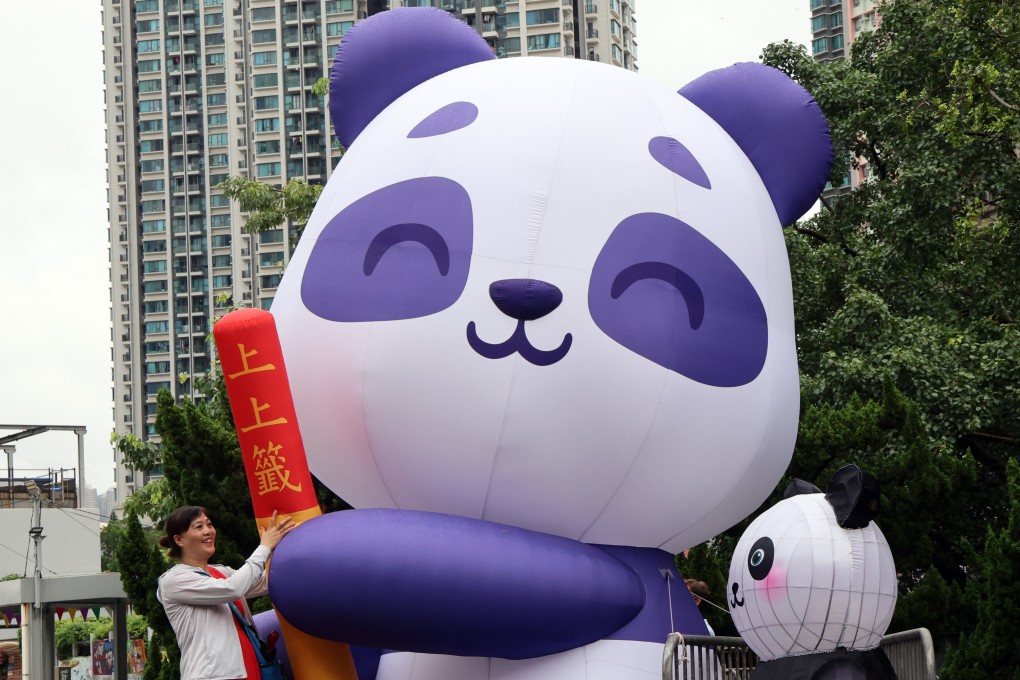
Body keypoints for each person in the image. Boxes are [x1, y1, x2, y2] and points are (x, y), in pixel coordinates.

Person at [157, 505, 295, 680]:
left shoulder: (222, 572)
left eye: (209, 524)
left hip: (250, 668)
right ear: (179, 540)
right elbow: (233, 589)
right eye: (199, 527)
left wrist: (288, 547)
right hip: (212, 676)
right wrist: (264, 547)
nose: (208, 531)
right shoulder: (174, 580)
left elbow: (268, 581)